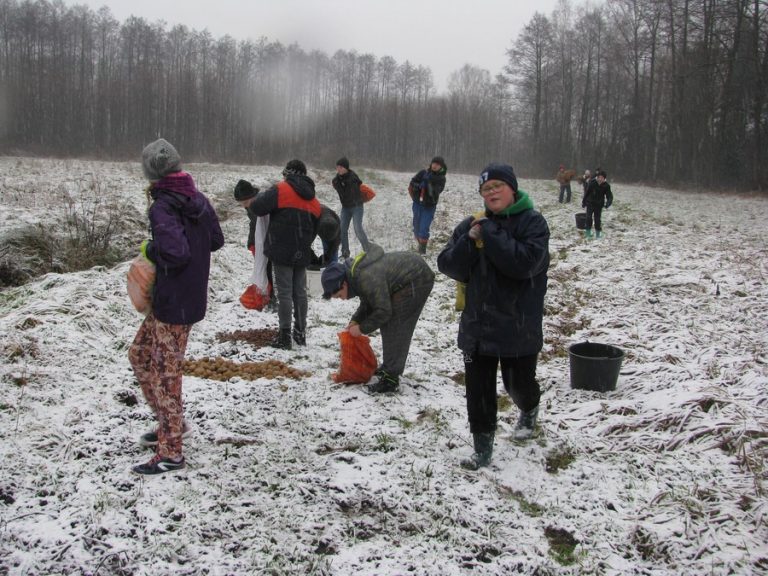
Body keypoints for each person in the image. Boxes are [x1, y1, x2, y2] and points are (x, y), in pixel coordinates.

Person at [437, 163, 549, 470]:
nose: (492, 192)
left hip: (518, 326)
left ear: (512, 188)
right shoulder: (472, 224)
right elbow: (448, 265)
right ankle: (482, 449)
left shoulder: (533, 224)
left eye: (498, 186)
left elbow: (523, 264)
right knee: (478, 392)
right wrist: (469, 242)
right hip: (477, 326)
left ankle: (529, 408)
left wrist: (492, 231)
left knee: (519, 386)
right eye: (486, 189)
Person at [129, 138, 224, 475]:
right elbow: (215, 240)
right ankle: (173, 425)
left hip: (174, 303)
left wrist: (150, 248)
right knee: (139, 354)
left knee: (167, 374)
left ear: (151, 174)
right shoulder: (197, 199)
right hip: (182, 299)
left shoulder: (162, 207)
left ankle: (171, 452)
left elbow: (176, 253)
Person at [321, 243, 435, 394]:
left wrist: (361, 328)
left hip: (416, 278)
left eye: (339, 296)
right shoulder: (356, 275)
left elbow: (383, 311)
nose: (342, 299)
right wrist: (356, 320)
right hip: (405, 279)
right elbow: (369, 301)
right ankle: (389, 368)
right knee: (388, 323)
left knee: (396, 325)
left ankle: (391, 379)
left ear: (343, 284)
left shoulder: (366, 277)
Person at [244, 159, 321, 348]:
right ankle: (300, 333)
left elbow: (256, 207)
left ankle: (284, 336)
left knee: (285, 293)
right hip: (302, 251)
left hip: (281, 249)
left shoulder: (281, 189)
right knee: (300, 293)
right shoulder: (314, 200)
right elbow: (315, 226)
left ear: (288, 173)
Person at [234, 179, 275, 311]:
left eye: (245, 202)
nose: (244, 206)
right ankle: (269, 295)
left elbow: (267, 226)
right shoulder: (251, 205)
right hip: (260, 241)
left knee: (269, 269)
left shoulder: (261, 205)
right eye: (241, 204)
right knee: (265, 268)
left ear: (252, 197)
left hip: (270, 241)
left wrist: (264, 245)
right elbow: (254, 225)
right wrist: (251, 242)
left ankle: (272, 297)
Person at [332, 157, 370, 258]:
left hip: (357, 207)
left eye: (340, 167)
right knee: (342, 229)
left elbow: (357, 183)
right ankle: (345, 252)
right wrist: (339, 182)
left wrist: (345, 183)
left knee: (357, 228)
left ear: (346, 168)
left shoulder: (352, 178)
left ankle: (368, 251)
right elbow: (337, 185)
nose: (338, 169)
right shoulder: (336, 180)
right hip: (346, 208)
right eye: (337, 167)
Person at [409, 156, 447, 254]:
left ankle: (422, 252)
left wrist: (428, 184)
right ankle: (419, 243)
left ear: (441, 167)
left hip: (429, 207)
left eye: (438, 164)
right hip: (417, 204)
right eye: (434, 163)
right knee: (416, 227)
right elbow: (412, 182)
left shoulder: (441, 178)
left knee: (424, 229)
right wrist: (418, 186)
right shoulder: (423, 173)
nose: (435, 165)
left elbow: (435, 193)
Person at [582, 169, 613, 239]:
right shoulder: (592, 183)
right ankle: (588, 233)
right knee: (588, 218)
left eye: (602, 178)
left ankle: (598, 234)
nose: (600, 179)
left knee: (597, 220)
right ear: (597, 177)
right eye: (599, 177)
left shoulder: (606, 186)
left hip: (599, 205)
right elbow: (587, 193)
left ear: (604, 178)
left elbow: (609, 196)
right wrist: (584, 202)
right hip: (590, 203)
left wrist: (608, 203)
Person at [310, 204, 341, 269]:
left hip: (327, 219)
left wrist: (327, 256)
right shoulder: (312, 221)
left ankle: (334, 269)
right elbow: (305, 244)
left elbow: (335, 244)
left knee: (333, 249)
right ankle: (330, 266)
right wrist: (314, 259)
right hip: (316, 219)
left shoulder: (338, 223)